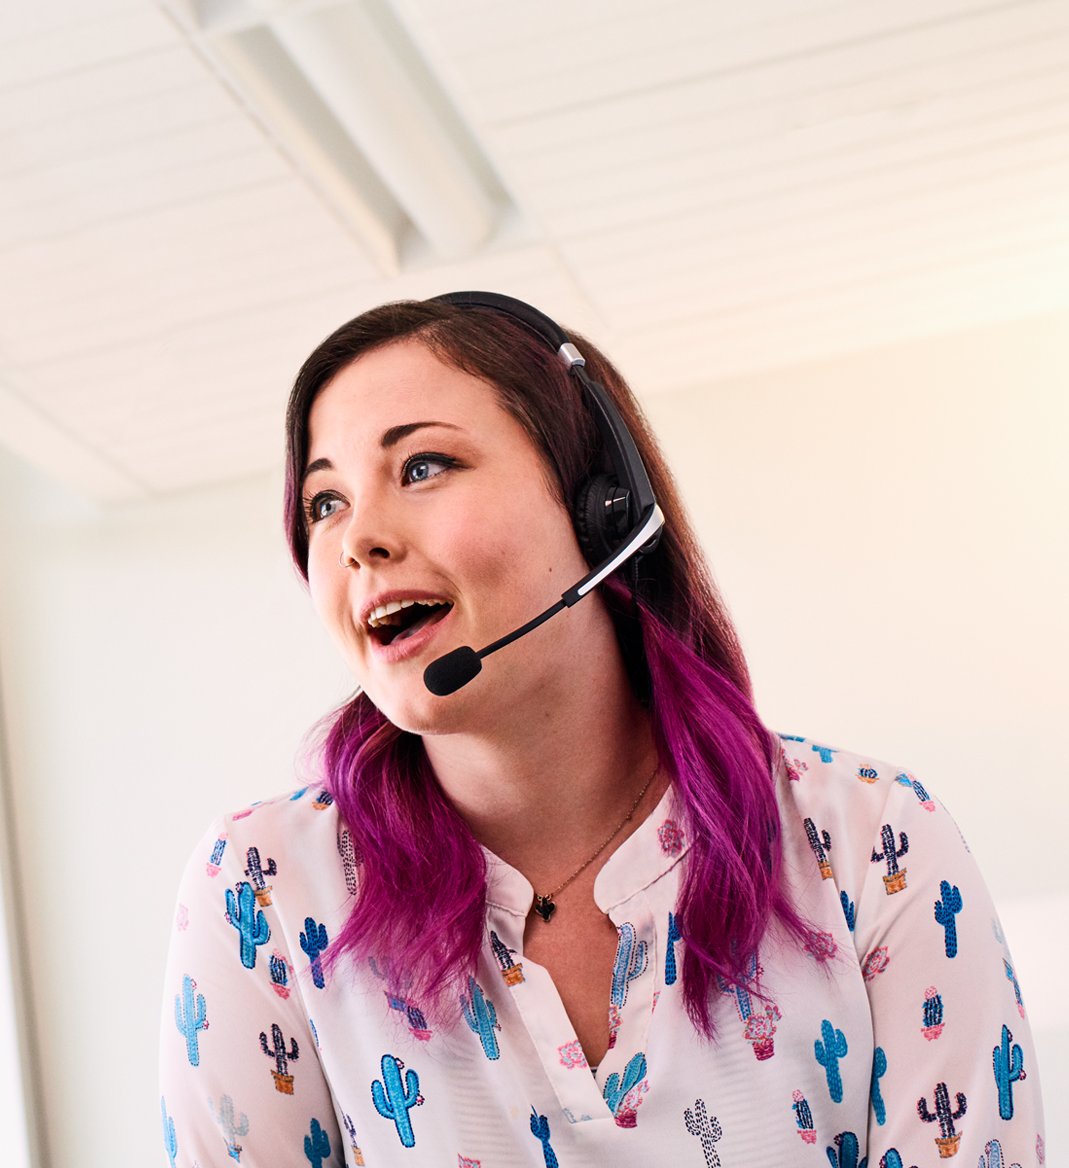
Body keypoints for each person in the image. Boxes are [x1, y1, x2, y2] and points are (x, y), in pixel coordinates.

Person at [158, 295, 1040, 1166]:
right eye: (323, 504)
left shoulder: (871, 839)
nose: (358, 540)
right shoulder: (264, 888)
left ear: (601, 507)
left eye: (422, 467)